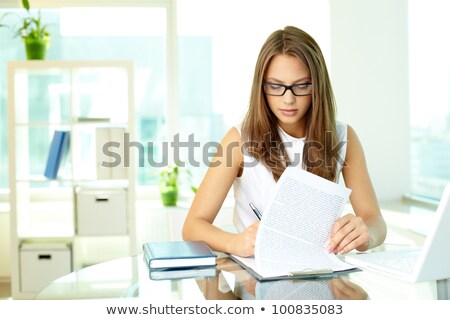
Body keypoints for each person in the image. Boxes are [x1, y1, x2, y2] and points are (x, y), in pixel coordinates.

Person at [182, 26, 386, 258]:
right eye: (276, 86)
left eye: (301, 86)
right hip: (257, 279)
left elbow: (375, 221)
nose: (288, 99)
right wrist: (234, 243)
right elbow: (192, 227)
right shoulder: (239, 140)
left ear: (317, 86)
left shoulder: (343, 137)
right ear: (262, 87)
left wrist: (366, 234)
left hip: (321, 274)